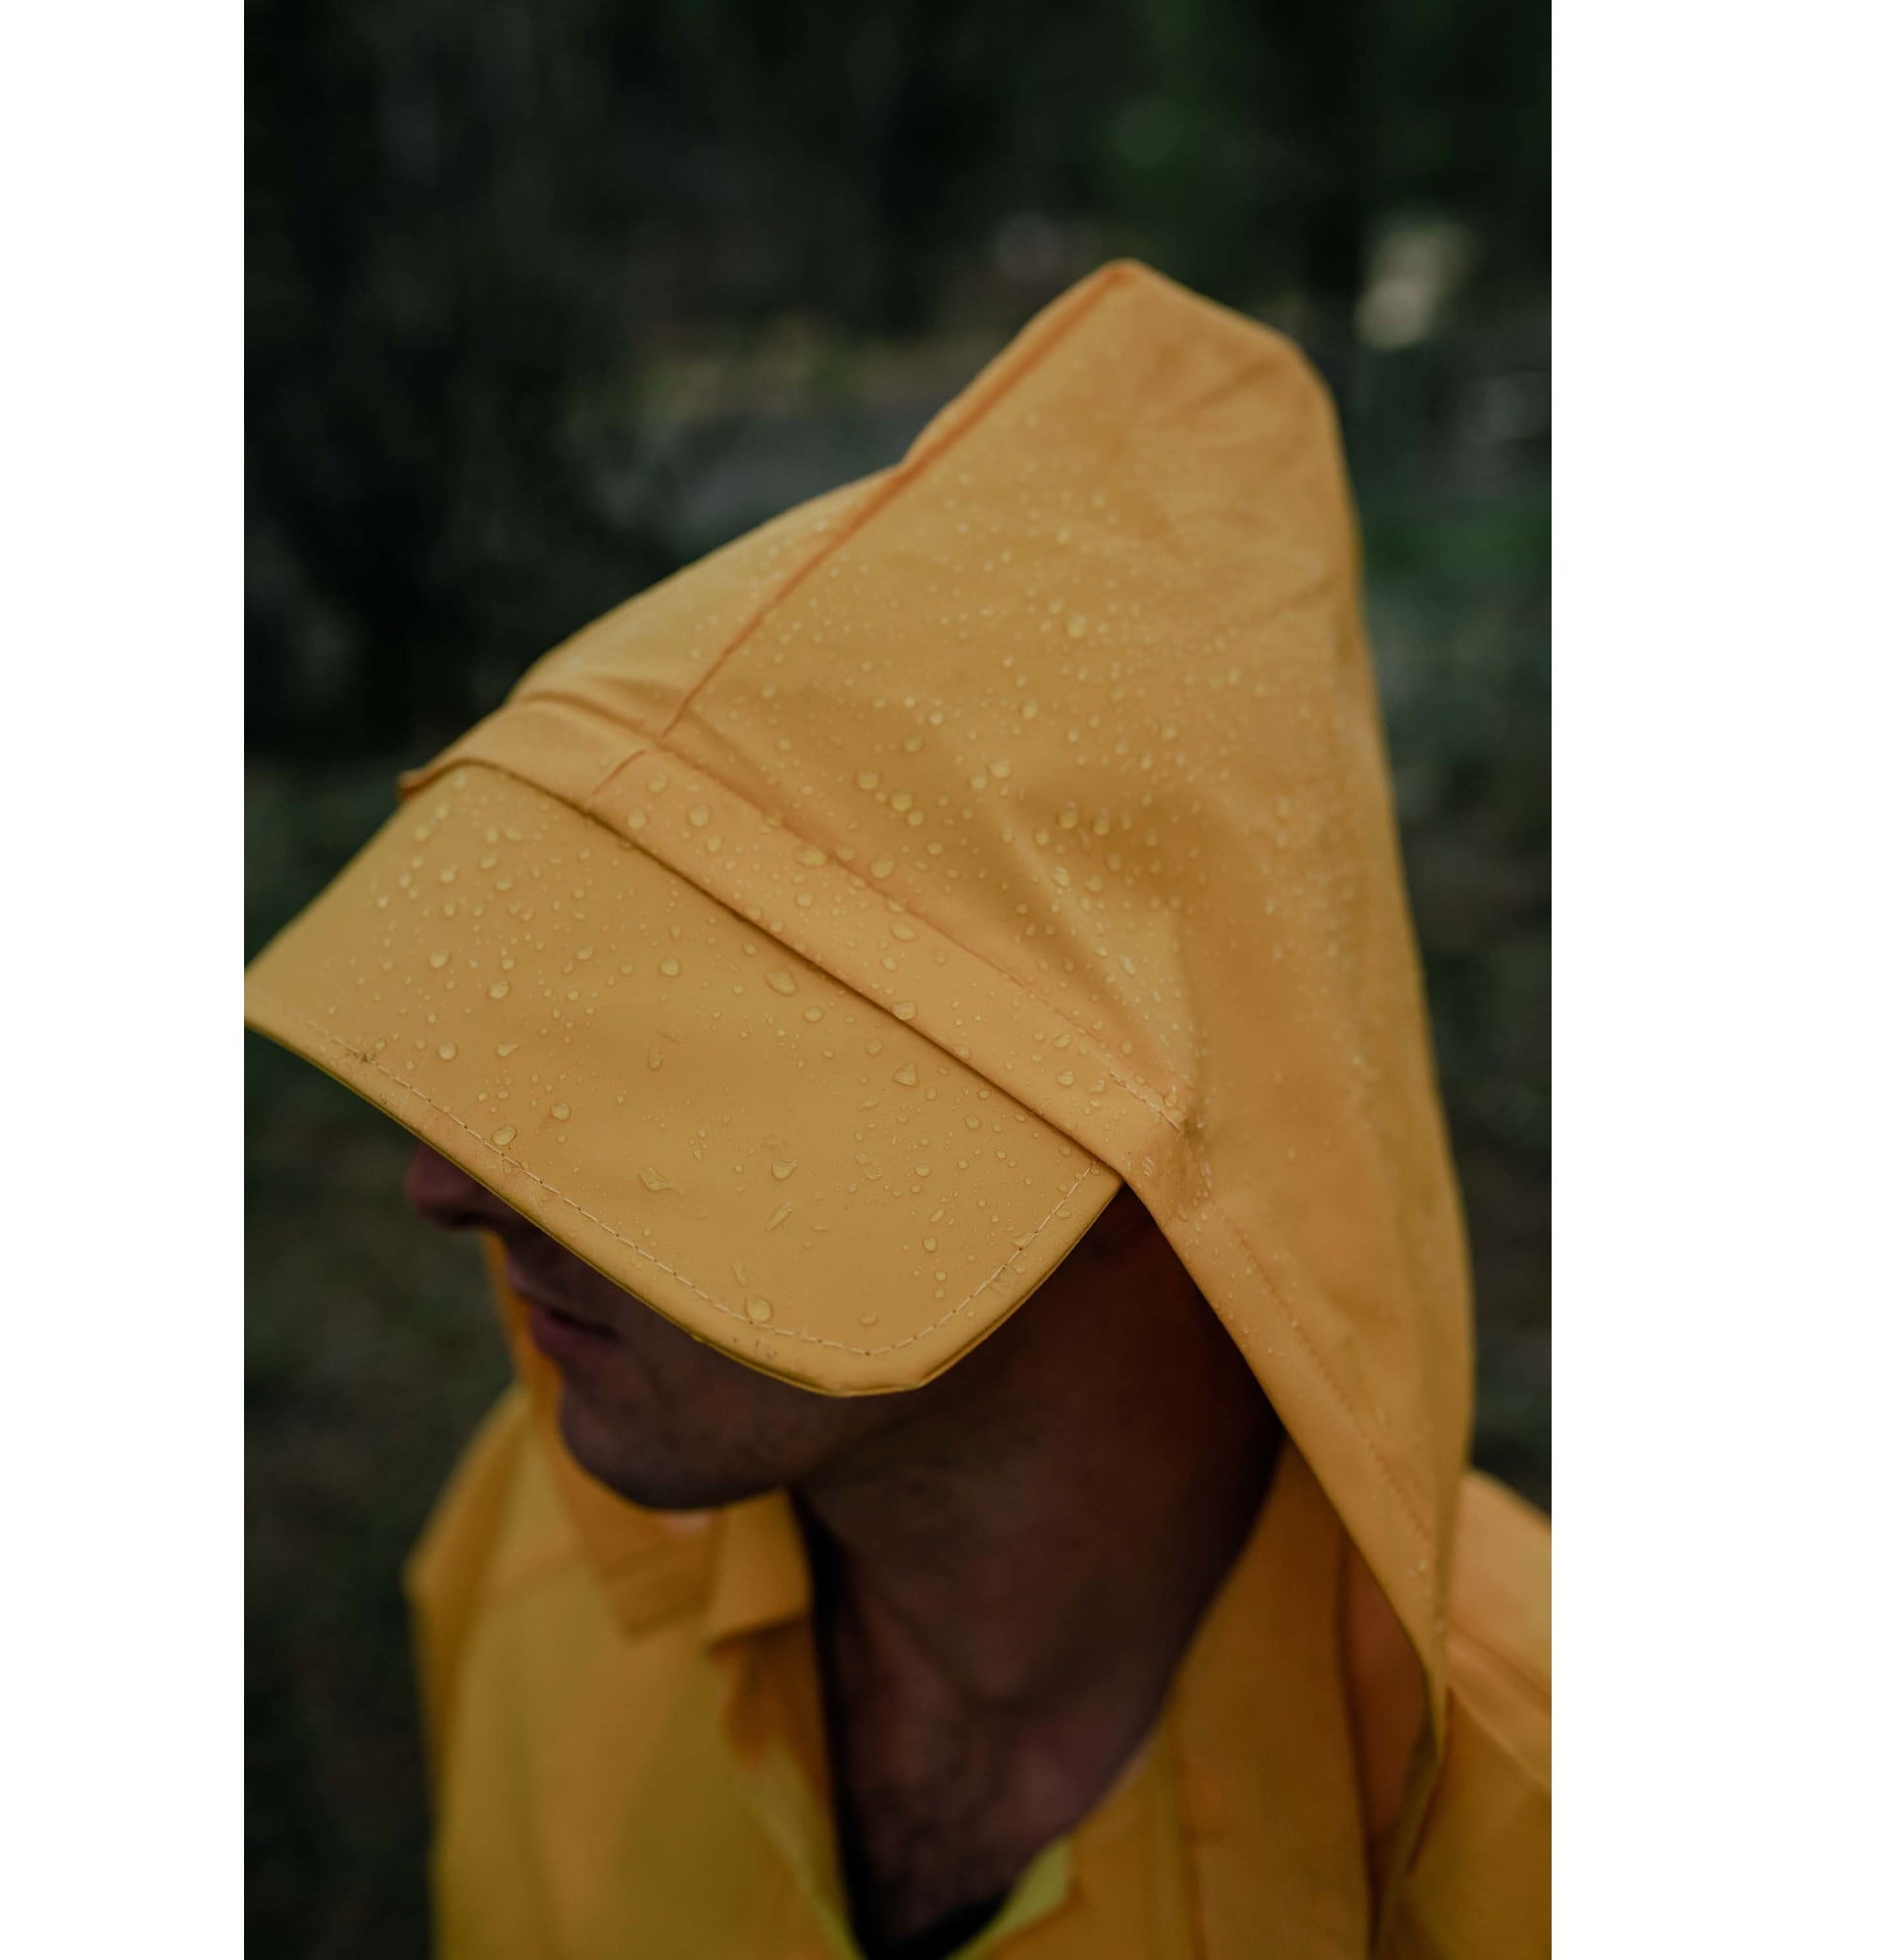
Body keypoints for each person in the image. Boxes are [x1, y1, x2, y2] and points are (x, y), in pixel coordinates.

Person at [247, 260, 1550, 1959]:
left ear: (1133, 1166)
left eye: (674, 1069)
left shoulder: (1556, 1847)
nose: (448, 1183)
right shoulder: (540, 1547)